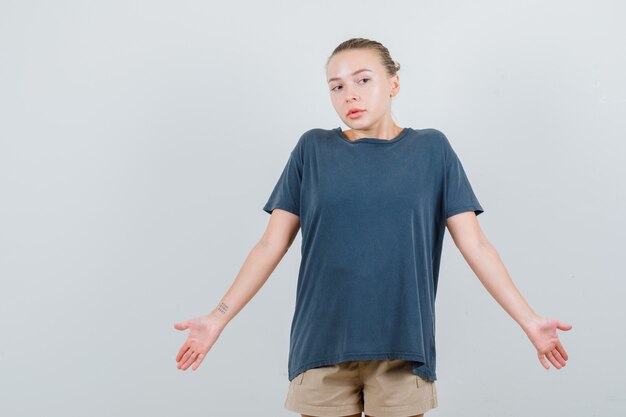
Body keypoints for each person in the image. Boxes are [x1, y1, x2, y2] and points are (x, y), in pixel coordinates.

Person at [173, 38, 573, 417]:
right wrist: (217, 316)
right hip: (321, 348)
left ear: (394, 83)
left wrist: (529, 319)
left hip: (403, 349)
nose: (350, 95)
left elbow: (477, 246)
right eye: (336, 86)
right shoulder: (312, 150)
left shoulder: (432, 151)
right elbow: (268, 246)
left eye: (363, 80)